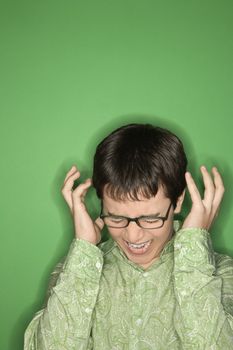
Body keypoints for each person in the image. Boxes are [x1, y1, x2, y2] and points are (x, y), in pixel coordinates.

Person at [24, 123, 233, 349]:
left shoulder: (220, 273)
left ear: (178, 200)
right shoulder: (76, 270)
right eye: (116, 218)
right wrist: (84, 246)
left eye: (151, 219)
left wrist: (194, 244)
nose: (133, 235)